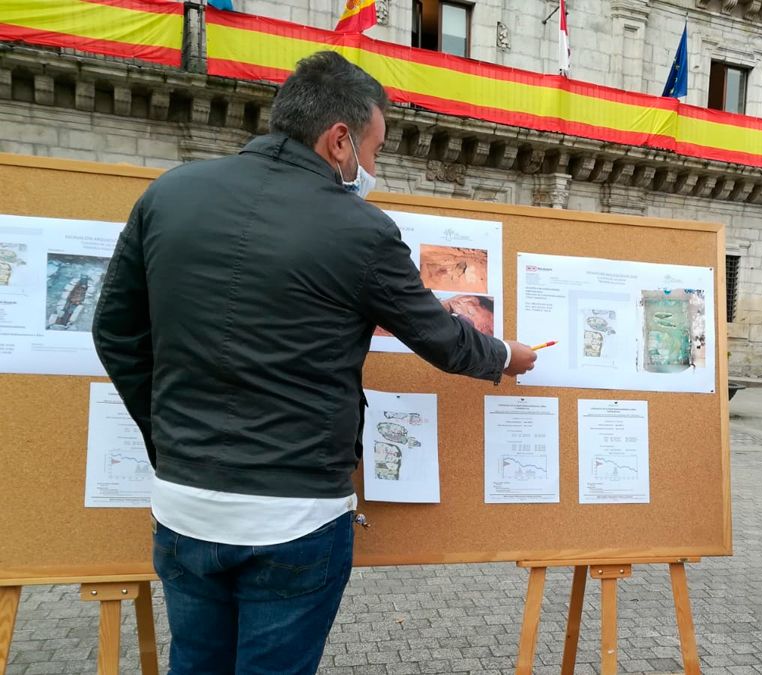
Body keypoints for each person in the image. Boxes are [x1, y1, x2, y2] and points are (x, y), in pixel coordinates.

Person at [92, 51, 537, 673]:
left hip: (184, 506)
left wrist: (170, 440)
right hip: (295, 516)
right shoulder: (361, 229)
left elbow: (115, 334)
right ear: (339, 140)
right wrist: (507, 357)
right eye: (375, 150)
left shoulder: (168, 194)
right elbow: (442, 338)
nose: (373, 167)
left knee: (196, 663)